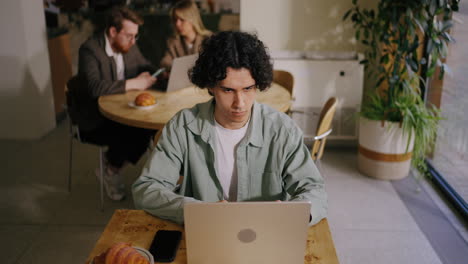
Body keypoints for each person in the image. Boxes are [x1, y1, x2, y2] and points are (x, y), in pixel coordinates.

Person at [132, 31, 327, 226]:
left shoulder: (282, 129)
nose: (240, 103)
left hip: (265, 234)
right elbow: (147, 188)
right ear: (210, 86)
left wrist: (295, 214)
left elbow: (314, 190)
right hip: (205, 232)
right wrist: (198, 211)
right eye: (228, 90)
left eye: (248, 88)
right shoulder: (182, 126)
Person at [68, 6, 156, 201]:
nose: (133, 41)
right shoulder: (90, 50)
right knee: (135, 130)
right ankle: (111, 169)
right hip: (95, 116)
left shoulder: (129, 44)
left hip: (124, 109)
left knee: (151, 128)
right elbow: (95, 88)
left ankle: (111, 166)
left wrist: (159, 72)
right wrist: (134, 83)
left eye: (136, 36)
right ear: (113, 31)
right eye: (129, 36)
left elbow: (144, 64)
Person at [159, 0, 212, 70]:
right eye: (175, 20)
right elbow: (165, 62)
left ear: (192, 19)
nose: (177, 24)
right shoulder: (173, 42)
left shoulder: (209, 40)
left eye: (182, 19)